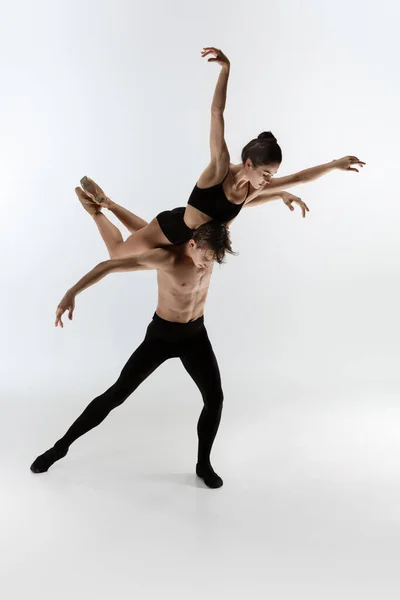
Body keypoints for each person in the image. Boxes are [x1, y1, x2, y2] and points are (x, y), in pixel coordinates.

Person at [79, 46, 365, 259]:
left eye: (272, 175)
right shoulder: (219, 169)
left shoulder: (251, 189)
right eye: (266, 173)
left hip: (187, 233)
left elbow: (300, 177)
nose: (268, 179)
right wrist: (226, 70)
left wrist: (334, 164)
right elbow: (217, 112)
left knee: (140, 236)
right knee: (118, 254)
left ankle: (109, 201)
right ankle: (96, 210)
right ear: (249, 163)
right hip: (172, 228)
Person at [30, 209, 236, 489]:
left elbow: (244, 200)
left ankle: (203, 464)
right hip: (162, 336)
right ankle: (59, 448)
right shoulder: (166, 258)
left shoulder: (210, 242)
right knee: (115, 395)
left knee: (215, 400)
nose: (207, 265)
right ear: (191, 244)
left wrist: (282, 193)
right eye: (206, 257)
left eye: (213, 260)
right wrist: (71, 293)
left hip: (196, 336)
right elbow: (109, 265)